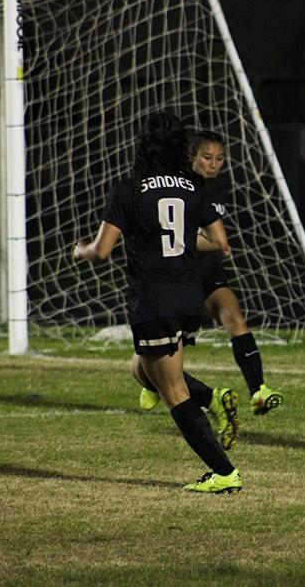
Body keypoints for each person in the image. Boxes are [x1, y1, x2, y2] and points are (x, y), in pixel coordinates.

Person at [73, 111, 242, 494]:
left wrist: (80, 250)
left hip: (154, 298)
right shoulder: (193, 187)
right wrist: (182, 240)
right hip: (187, 297)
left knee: (173, 392)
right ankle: (214, 399)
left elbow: (102, 251)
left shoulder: (129, 189)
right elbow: (219, 243)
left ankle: (224, 472)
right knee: (142, 370)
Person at [137, 131, 282, 441]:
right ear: (191, 158)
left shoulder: (219, 188)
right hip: (179, 278)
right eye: (207, 157)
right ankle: (152, 381)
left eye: (219, 159)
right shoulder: (180, 187)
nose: (214, 164)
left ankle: (258, 390)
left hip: (208, 274)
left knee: (235, 317)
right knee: (154, 362)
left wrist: (218, 244)